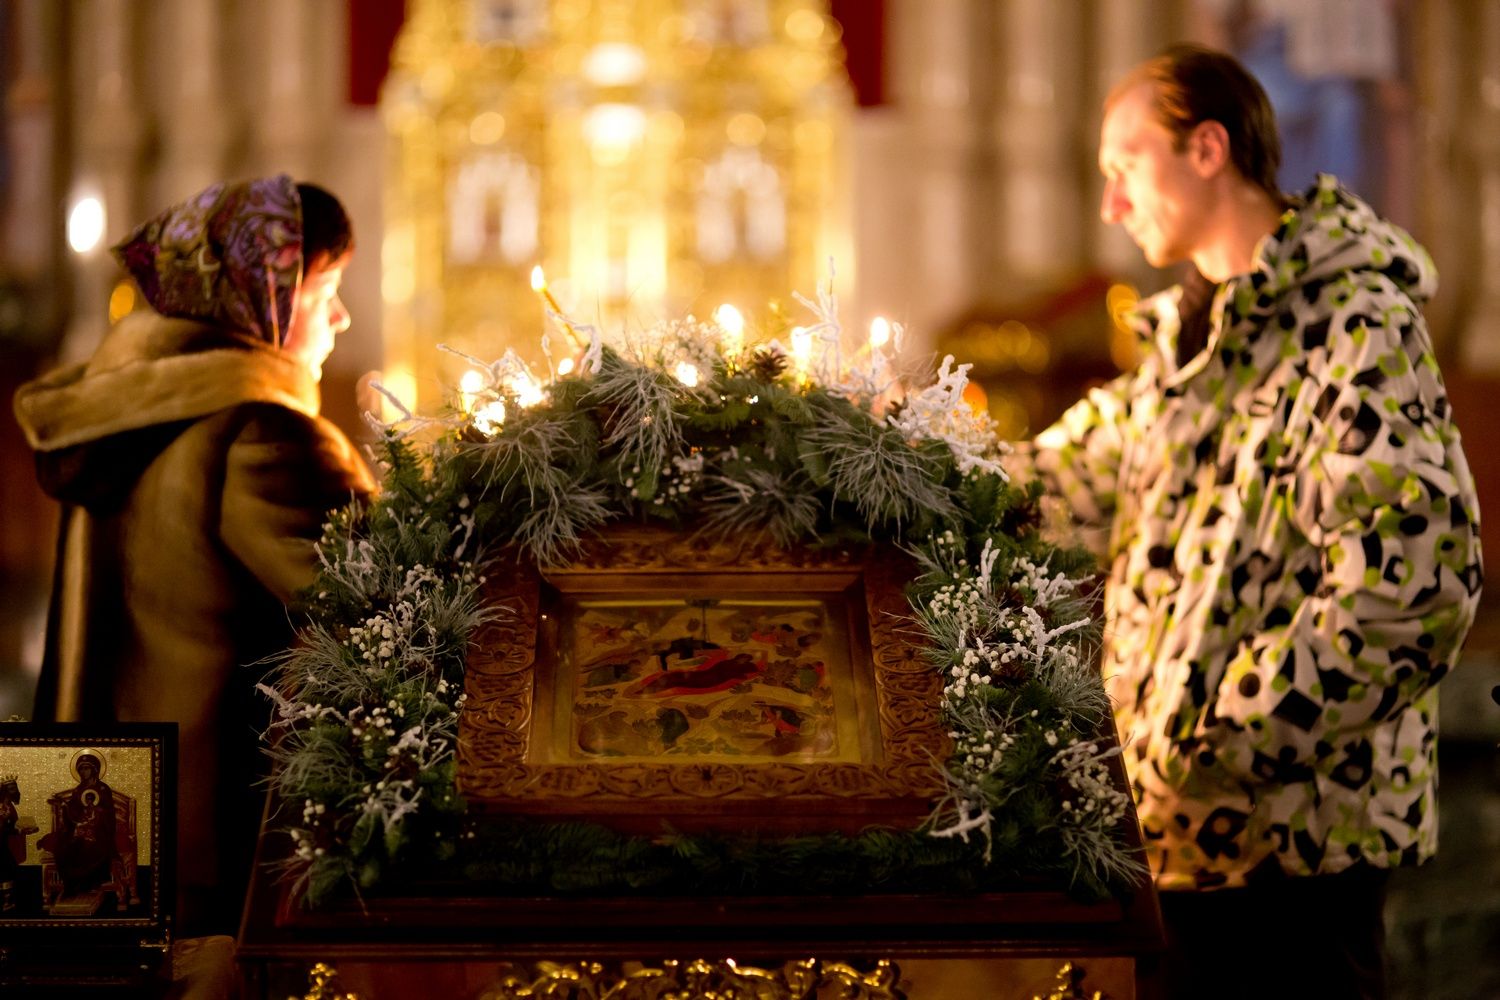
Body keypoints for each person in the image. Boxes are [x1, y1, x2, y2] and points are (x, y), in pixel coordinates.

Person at [1012, 46, 1482, 999]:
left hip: (1296, 856)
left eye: (1123, 165)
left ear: (1207, 148)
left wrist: (1219, 741)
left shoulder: (1354, 325)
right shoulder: (1186, 347)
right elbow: (1057, 480)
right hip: (1179, 847)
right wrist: (901, 449)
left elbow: (1415, 583)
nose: (1110, 204)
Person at [13, 176, 377, 934]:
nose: (342, 318)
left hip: (106, 838)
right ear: (260, 296)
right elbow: (389, 607)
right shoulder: (260, 436)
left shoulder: (128, 422)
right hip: (218, 866)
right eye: (326, 288)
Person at [38, 752, 118, 903]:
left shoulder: (103, 789)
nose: (83, 772)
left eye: (87, 768)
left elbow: (109, 814)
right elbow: (73, 813)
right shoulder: (78, 789)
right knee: (63, 849)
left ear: (94, 769)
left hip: (99, 833)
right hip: (79, 830)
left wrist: (98, 815)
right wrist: (64, 807)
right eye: (81, 769)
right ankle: (71, 886)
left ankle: (85, 886)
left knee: (87, 849)